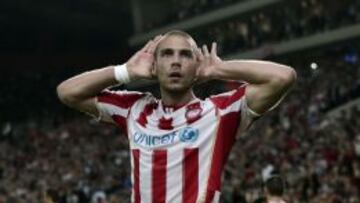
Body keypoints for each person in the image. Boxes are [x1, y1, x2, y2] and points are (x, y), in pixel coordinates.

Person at [57, 30, 296, 203]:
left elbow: (283, 77)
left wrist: (218, 70)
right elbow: (67, 92)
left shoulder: (219, 112)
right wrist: (125, 72)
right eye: (167, 54)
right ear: (155, 65)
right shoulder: (134, 108)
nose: (175, 62)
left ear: (196, 66)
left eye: (185, 55)